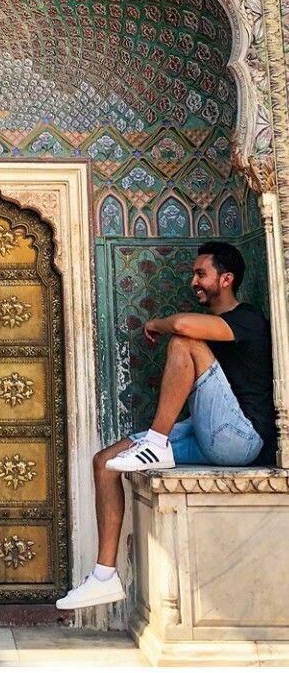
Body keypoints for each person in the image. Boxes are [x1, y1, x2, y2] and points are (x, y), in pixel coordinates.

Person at [55, 240, 276, 611]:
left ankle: (156, 443)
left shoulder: (248, 319)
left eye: (201, 274)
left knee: (183, 341)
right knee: (105, 462)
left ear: (226, 279)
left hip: (241, 439)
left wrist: (156, 322)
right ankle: (104, 578)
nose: (194, 281)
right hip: (209, 435)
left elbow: (185, 325)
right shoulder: (215, 323)